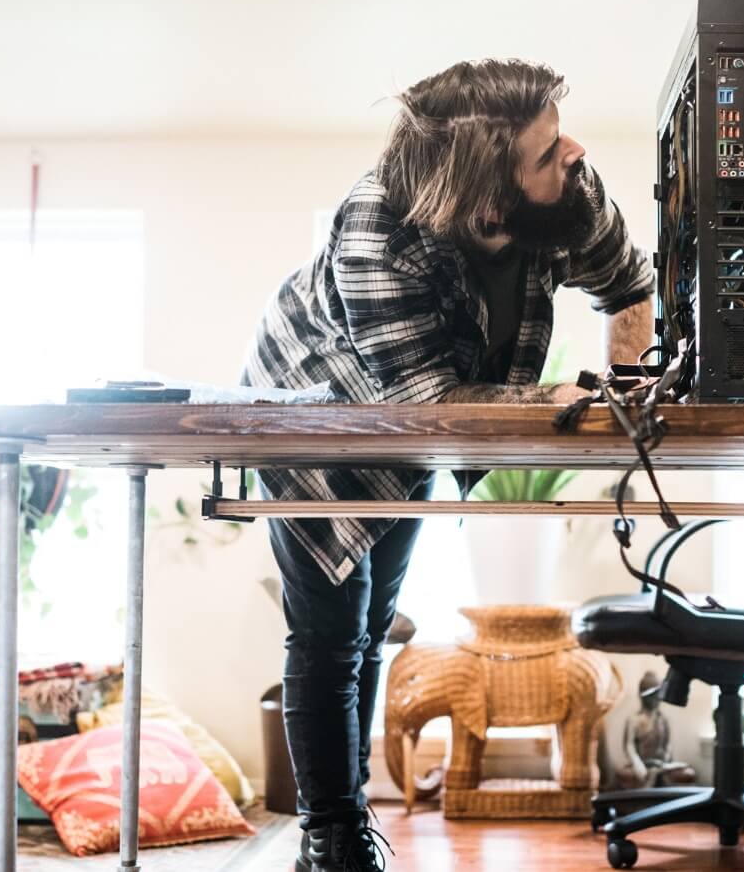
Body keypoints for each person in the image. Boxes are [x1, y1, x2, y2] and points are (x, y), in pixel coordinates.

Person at [239, 58, 654, 872]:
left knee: (370, 623)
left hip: (422, 404)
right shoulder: (376, 230)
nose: (571, 151)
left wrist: (626, 396)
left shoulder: (570, 190)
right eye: (544, 152)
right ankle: (332, 835)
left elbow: (628, 284)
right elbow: (434, 404)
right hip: (316, 402)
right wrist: (557, 399)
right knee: (330, 629)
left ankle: (342, 819)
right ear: (489, 192)